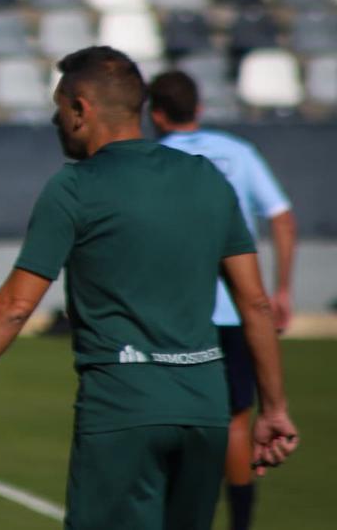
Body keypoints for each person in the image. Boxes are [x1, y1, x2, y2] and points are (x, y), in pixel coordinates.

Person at [0, 46, 300, 530]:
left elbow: (13, 306)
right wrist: (273, 408)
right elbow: (255, 303)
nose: (55, 120)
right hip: (205, 410)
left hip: (122, 409)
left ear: (80, 109)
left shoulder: (73, 188)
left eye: (58, 107)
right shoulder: (208, 178)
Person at [148, 70, 297, 530]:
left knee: (170, 419)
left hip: (178, 312)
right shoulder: (238, 152)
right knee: (236, 418)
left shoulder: (153, 160)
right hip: (238, 309)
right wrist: (282, 289)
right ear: (199, 109)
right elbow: (282, 218)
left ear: (155, 115)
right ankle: (239, 524)